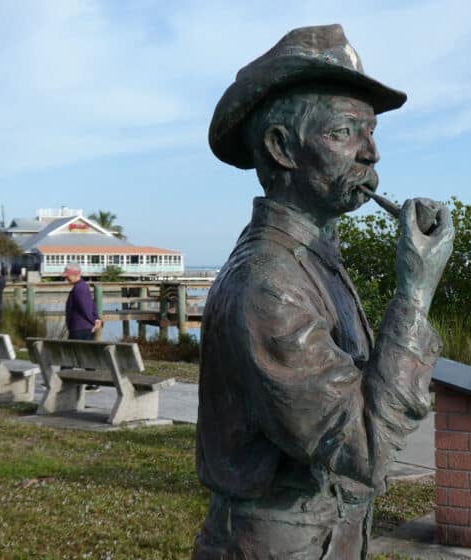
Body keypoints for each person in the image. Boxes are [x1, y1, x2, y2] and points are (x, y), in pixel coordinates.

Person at [193, 25, 455, 559]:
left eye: (372, 132)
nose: (372, 154)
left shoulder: (309, 262)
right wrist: (415, 294)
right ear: (282, 147)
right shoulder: (271, 285)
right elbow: (366, 448)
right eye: (344, 132)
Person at [63, 262, 102, 340]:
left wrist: (94, 322)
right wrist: (96, 319)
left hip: (81, 330)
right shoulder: (81, 286)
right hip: (81, 329)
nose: (66, 278)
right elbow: (91, 304)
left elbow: (85, 308)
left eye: (68, 276)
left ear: (75, 274)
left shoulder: (80, 288)